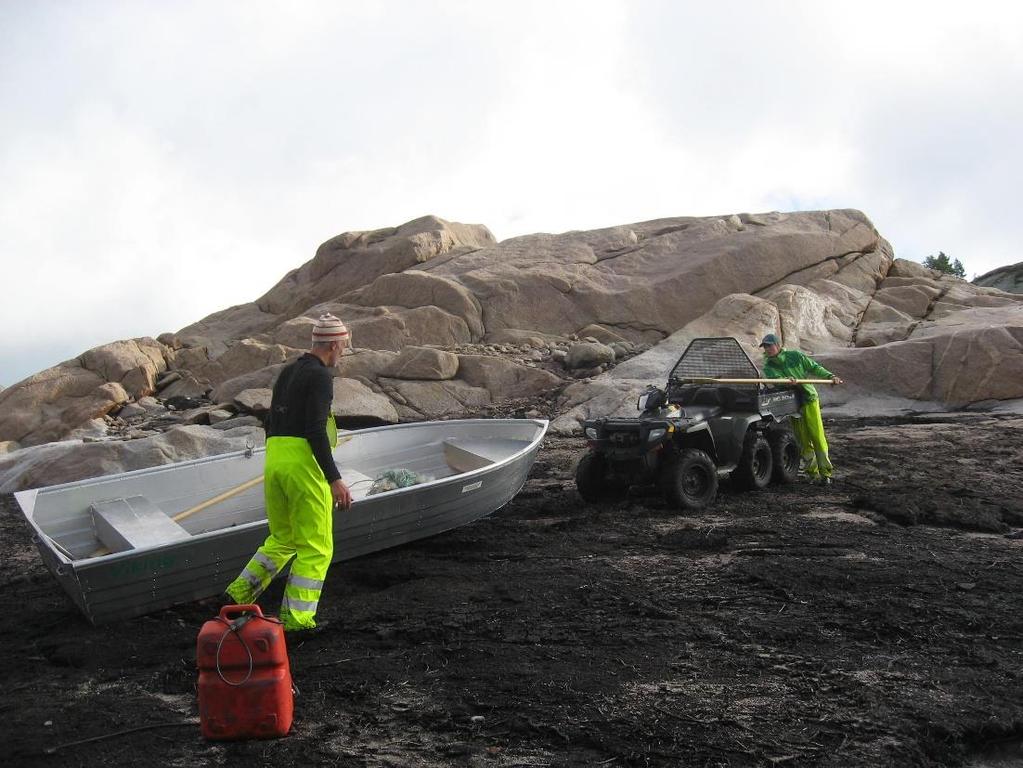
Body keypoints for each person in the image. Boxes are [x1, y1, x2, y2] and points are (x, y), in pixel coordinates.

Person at [225, 312, 353, 632]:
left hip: (275, 459)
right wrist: (334, 478)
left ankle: (237, 595)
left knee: (282, 538)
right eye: (345, 346)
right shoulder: (321, 377)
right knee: (316, 547)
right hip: (302, 465)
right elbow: (315, 431)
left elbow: (270, 421)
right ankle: (297, 620)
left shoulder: (287, 372)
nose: (345, 352)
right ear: (334, 345)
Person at [759, 333, 843, 485]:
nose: (767, 349)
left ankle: (826, 473)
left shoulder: (795, 356)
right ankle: (813, 474)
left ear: (777, 345)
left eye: (769, 345)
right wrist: (785, 381)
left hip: (808, 399)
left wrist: (830, 376)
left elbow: (814, 367)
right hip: (792, 404)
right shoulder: (768, 366)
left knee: (817, 436)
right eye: (765, 346)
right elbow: (776, 380)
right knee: (803, 439)